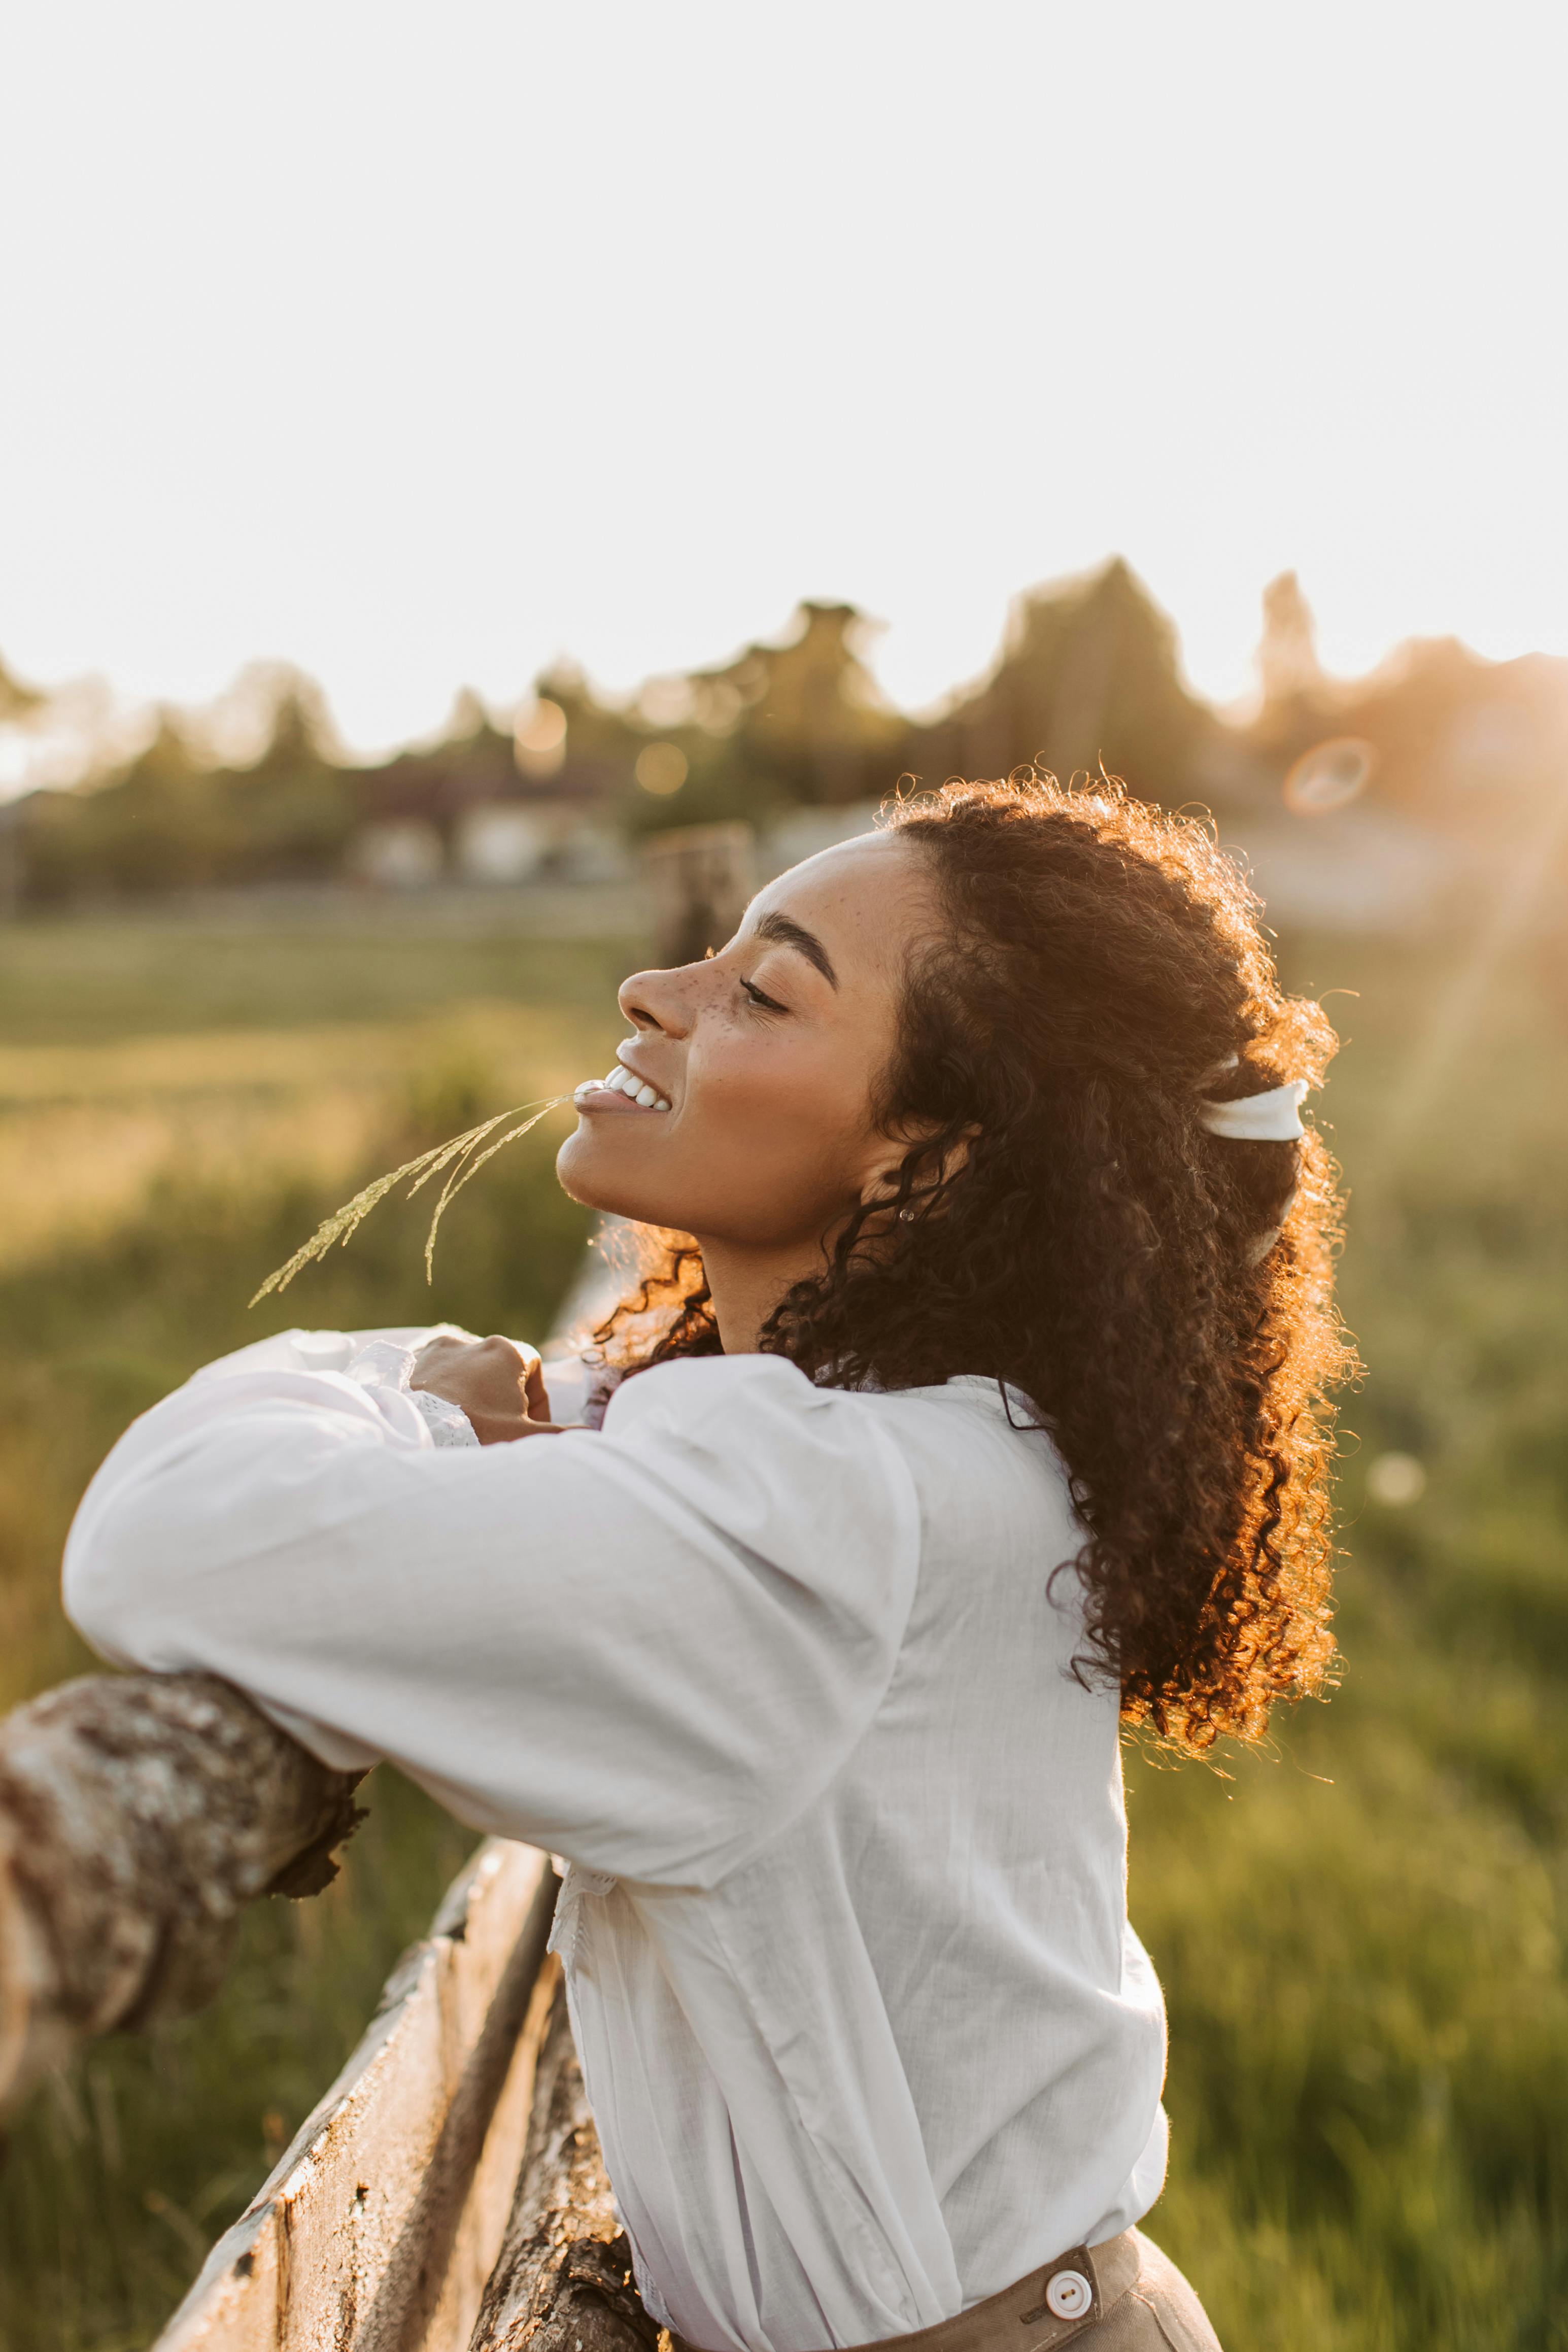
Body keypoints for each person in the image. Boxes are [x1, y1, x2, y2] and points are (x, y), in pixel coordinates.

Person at [64, 775, 1352, 2352]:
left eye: (759, 989)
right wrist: (490, 1418)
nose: (649, 994)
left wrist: (424, 1410)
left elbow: (158, 1528)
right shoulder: (900, 1426)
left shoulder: (825, 1509)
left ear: (927, 1159)